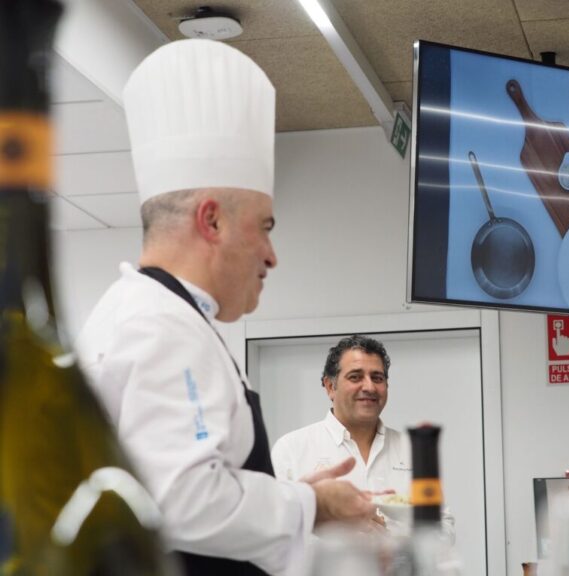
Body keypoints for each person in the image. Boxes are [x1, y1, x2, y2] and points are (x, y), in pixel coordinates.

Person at [76, 39, 377, 576]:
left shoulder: (146, 312)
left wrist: (289, 501)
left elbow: (173, 487)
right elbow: (185, 503)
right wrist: (312, 505)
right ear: (211, 220)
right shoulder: (160, 326)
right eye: (264, 228)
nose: (271, 255)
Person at [271, 335, 454, 536]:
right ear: (331, 386)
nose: (369, 387)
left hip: (399, 567)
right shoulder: (291, 449)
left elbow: (443, 527)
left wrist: (392, 539)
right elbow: (273, 529)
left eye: (377, 378)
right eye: (355, 377)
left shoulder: (411, 448)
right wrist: (328, 520)